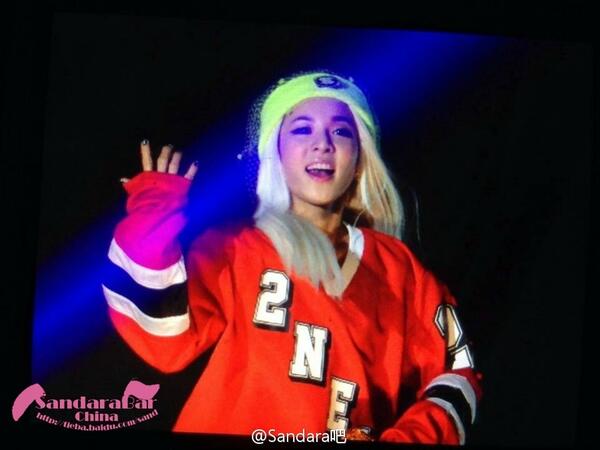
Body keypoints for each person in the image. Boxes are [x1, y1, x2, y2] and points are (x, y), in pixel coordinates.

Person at [102, 70, 482, 444]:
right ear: (276, 153)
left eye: (341, 131)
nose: (323, 144)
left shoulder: (401, 271)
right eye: (302, 129)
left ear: (360, 159)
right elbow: (164, 341)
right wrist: (152, 223)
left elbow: (458, 375)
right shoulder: (236, 248)